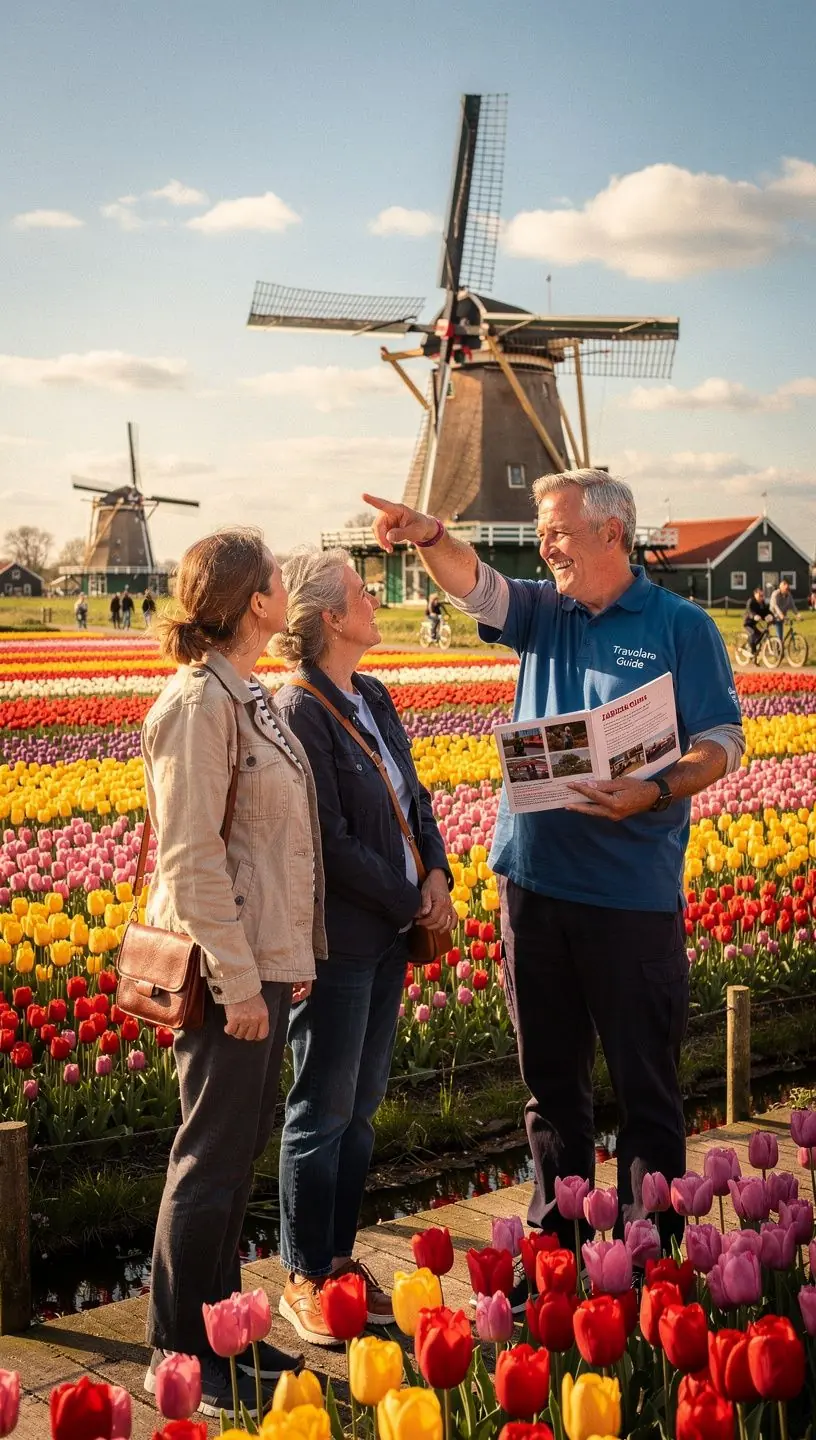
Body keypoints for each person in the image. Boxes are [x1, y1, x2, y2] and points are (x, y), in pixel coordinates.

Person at [363, 471, 744, 1277]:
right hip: (532, 887)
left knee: (646, 1086)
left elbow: (720, 741)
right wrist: (430, 536)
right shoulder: (544, 611)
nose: (546, 547)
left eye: (559, 531)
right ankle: (557, 1253)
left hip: (631, 895)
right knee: (551, 1085)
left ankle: (648, 1261)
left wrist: (654, 790)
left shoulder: (681, 626)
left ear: (612, 533)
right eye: (542, 532)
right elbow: (476, 584)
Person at [141, 528, 326, 1419]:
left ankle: (220, 1337)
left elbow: (274, 842)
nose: (287, 587)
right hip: (227, 971)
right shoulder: (197, 704)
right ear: (255, 602)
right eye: (279, 579)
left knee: (236, 1150)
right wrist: (241, 981)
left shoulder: (244, 693)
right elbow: (192, 858)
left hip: (262, 959)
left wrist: (291, 957)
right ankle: (176, 1353)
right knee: (209, 1158)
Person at [272, 548, 453, 1346]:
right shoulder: (300, 709)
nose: (374, 596)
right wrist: (409, 896)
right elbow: (330, 842)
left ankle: (340, 1258)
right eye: (361, 589)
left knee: (363, 1108)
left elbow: (414, 797)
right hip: (340, 942)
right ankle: (303, 1273)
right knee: (322, 1108)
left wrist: (438, 870)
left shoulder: (372, 693)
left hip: (389, 937)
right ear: (330, 618)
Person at [743, 585, 771, 654]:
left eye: (762, 595)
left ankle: (753, 647)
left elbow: (765, 611)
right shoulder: (751, 601)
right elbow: (749, 610)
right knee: (753, 634)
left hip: (754, 624)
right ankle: (753, 652)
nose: (762, 597)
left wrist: (770, 615)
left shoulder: (762, 603)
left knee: (760, 635)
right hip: (748, 623)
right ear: (755, 594)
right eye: (760, 595)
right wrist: (754, 616)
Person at [769, 577, 797, 642]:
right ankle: (777, 646)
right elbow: (775, 606)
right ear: (781, 587)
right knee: (779, 637)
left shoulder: (789, 595)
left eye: (788, 588)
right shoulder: (775, 594)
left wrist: (797, 614)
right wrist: (780, 614)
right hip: (774, 616)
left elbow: (792, 606)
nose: (787, 590)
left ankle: (779, 644)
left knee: (781, 635)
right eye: (786, 589)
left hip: (782, 616)